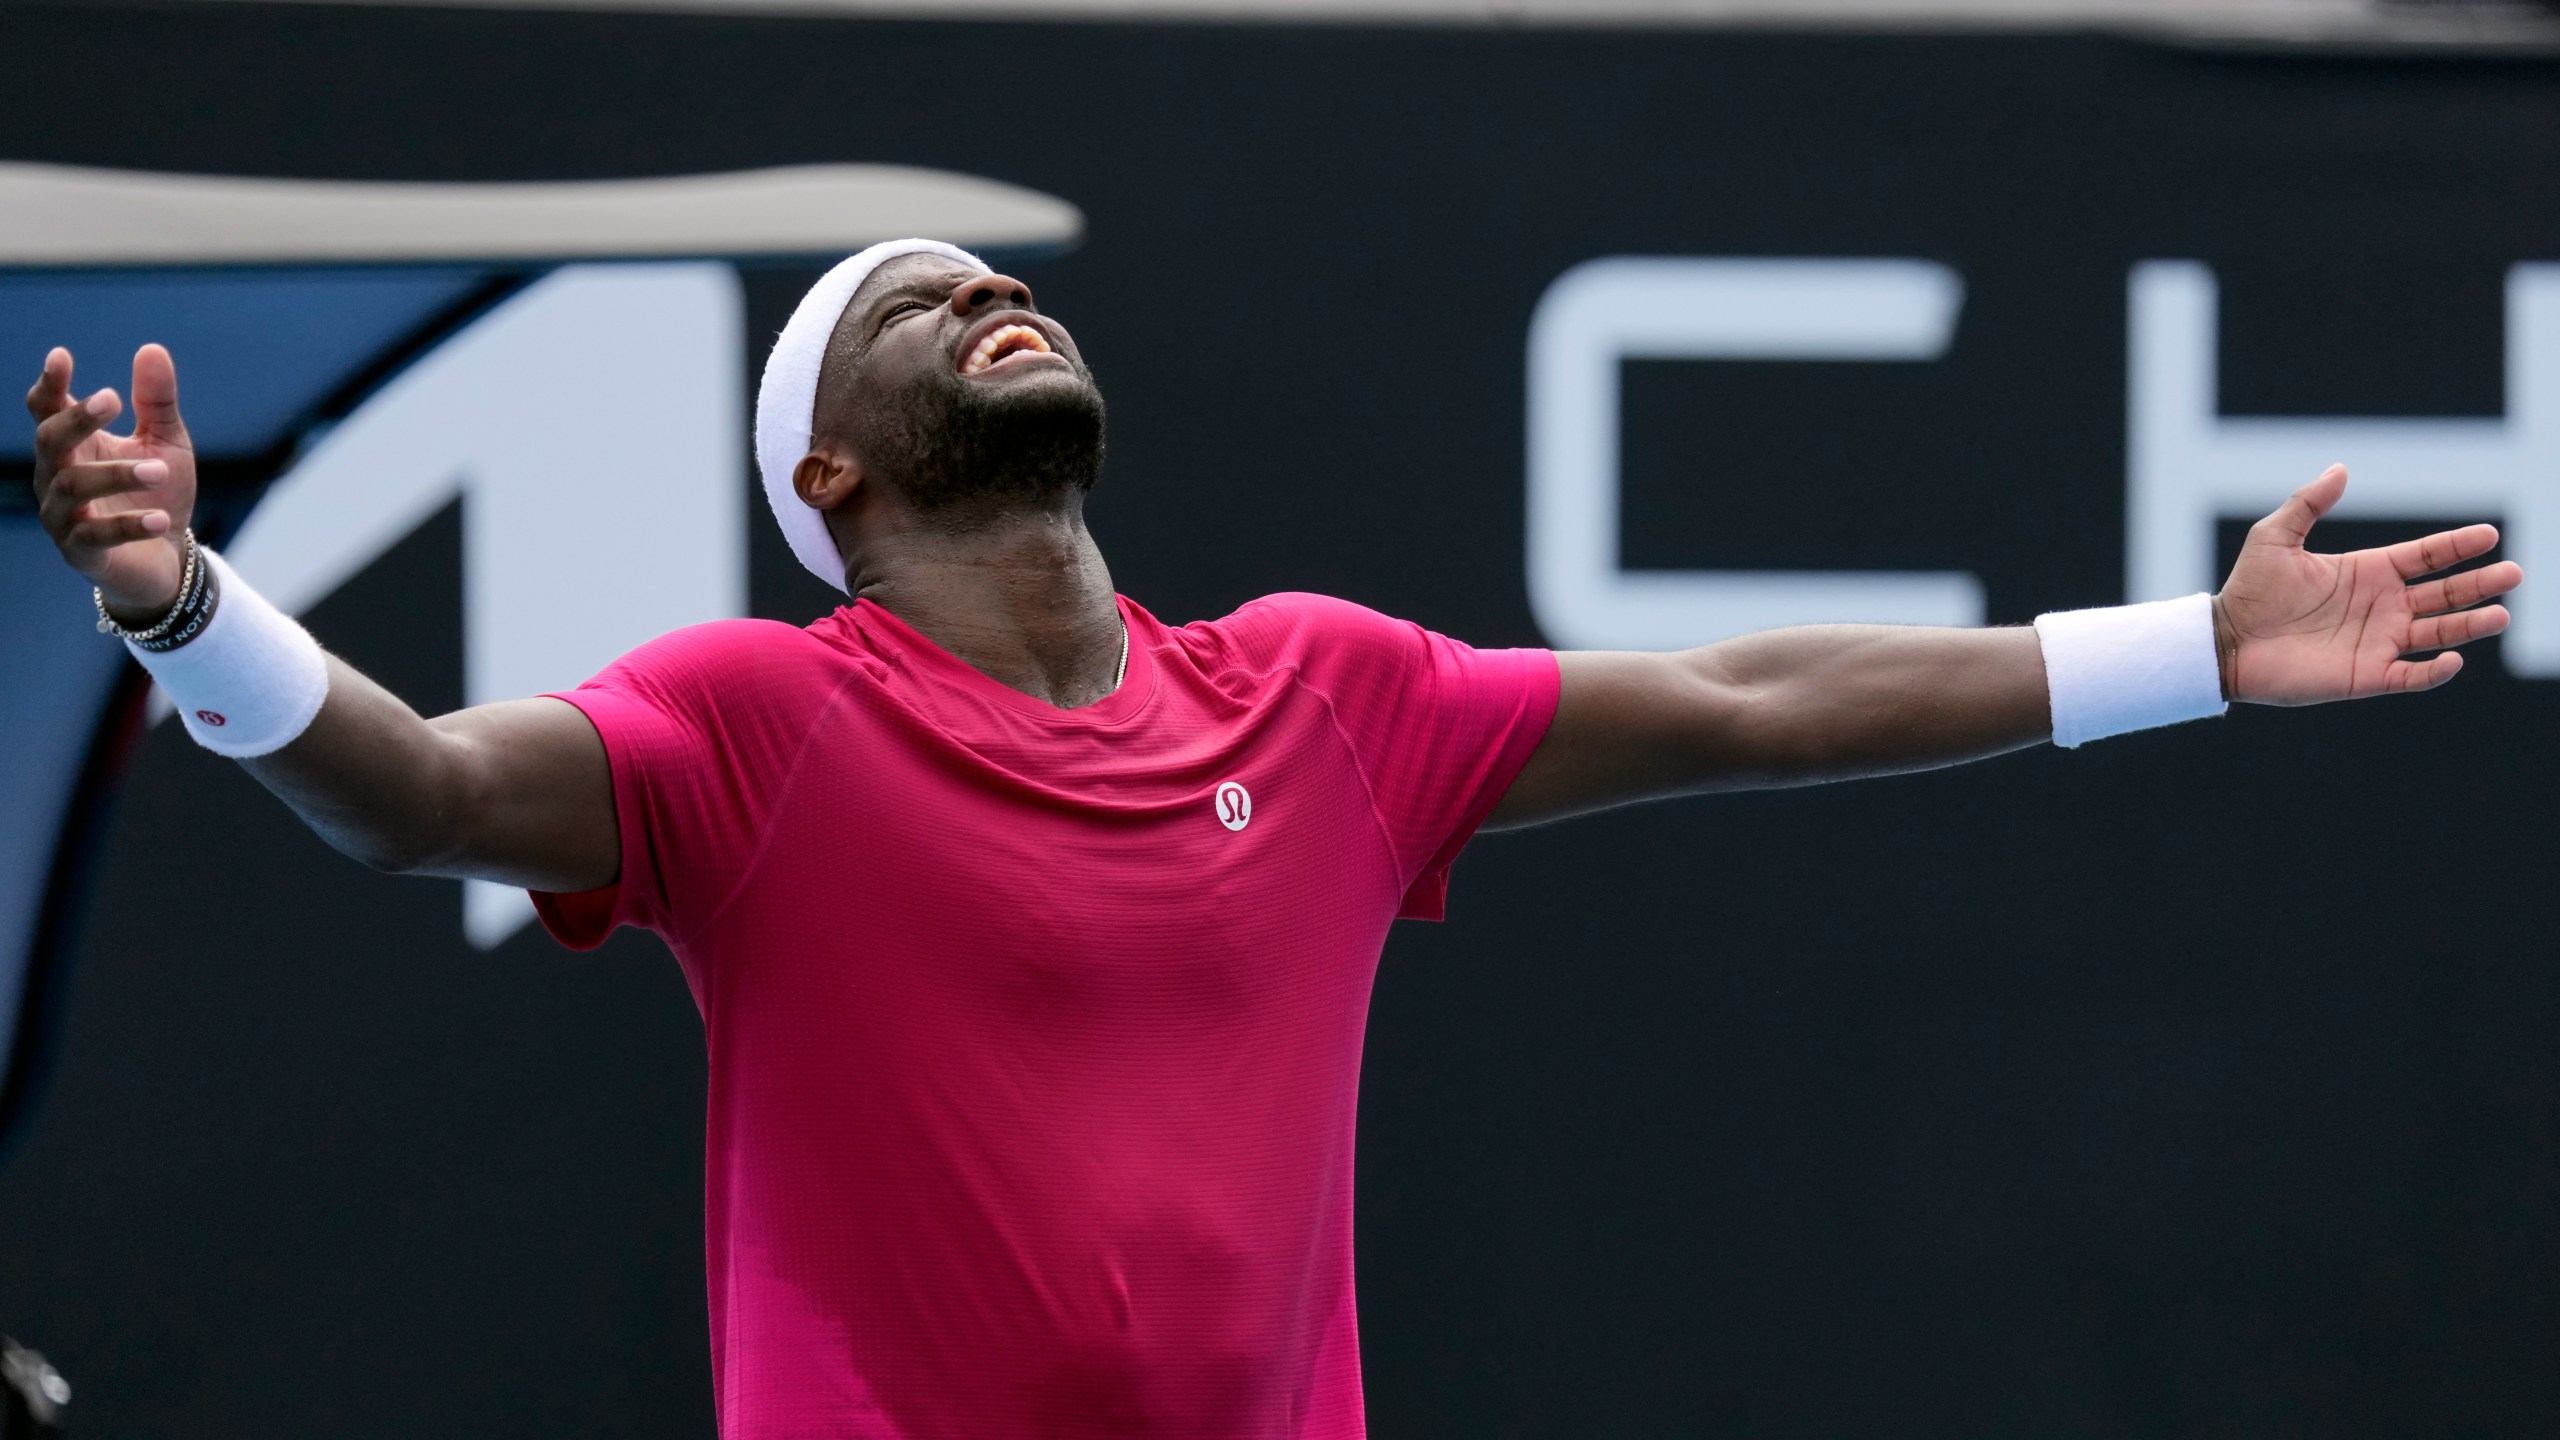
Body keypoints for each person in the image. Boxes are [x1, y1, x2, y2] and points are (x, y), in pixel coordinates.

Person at [24, 239, 2522, 1439]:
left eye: (994, 276)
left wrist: (2193, 649)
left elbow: (1758, 700)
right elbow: (419, 794)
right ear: (836, 474)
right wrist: (184, 604)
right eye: (914, 310)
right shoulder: (757, 727)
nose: (983, 290)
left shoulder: (1321, 693)